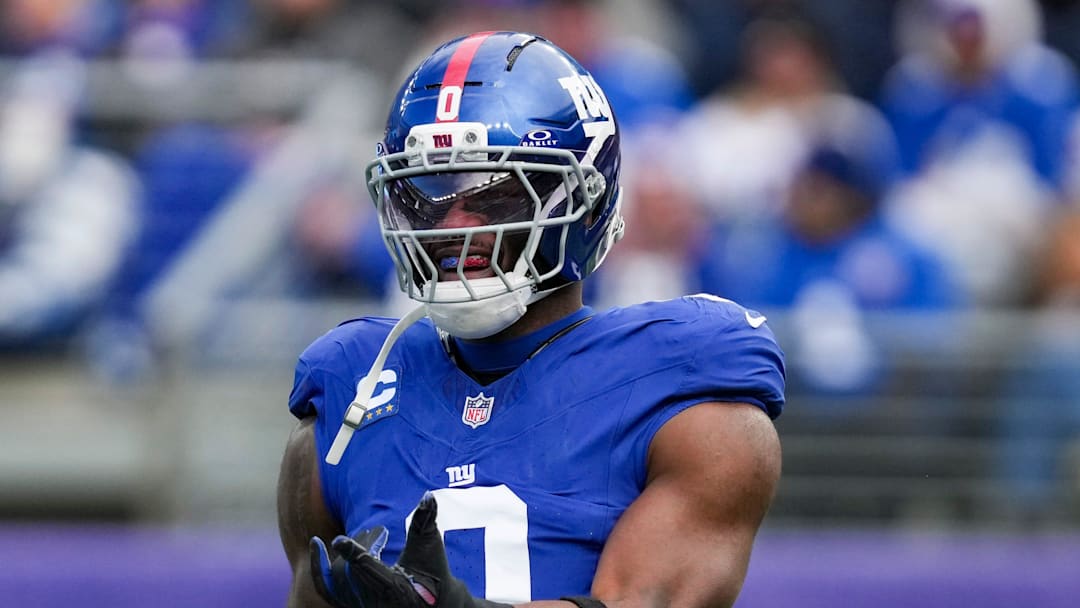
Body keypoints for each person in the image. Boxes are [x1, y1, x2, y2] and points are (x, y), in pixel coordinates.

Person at [277, 31, 786, 608]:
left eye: (494, 194)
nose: (450, 226)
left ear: (584, 200)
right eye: (428, 192)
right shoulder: (350, 392)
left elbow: (644, 602)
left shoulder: (684, 386)